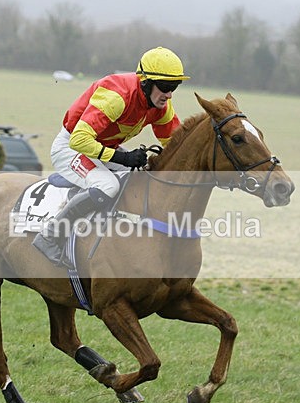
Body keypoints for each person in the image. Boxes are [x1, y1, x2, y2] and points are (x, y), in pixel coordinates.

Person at [33, 46, 189, 267]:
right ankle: (50, 235)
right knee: (107, 186)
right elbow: (79, 140)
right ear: (145, 82)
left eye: (175, 86)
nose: (169, 94)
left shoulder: (161, 104)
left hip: (100, 147)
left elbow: (174, 143)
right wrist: (123, 158)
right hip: (71, 147)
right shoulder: (117, 96)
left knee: (141, 179)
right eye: (165, 86)